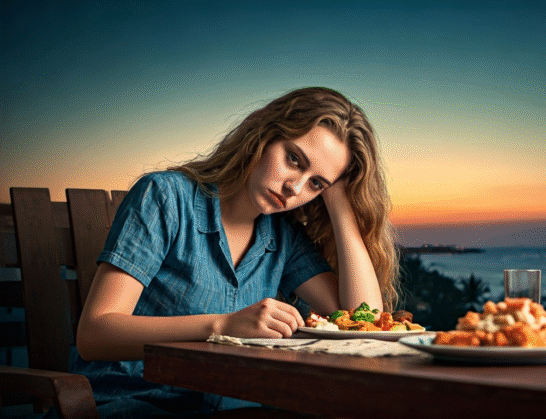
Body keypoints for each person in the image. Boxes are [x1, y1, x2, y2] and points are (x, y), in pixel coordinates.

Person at [68, 87, 400, 417]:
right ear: (263, 136)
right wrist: (222, 326)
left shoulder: (285, 237)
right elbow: (94, 334)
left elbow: (364, 319)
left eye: (315, 183)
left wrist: (339, 202)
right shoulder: (165, 198)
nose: (294, 188)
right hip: (132, 402)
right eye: (294, 160)